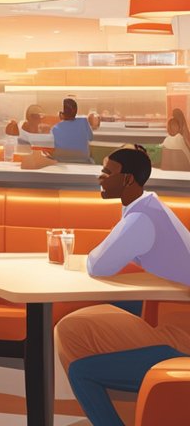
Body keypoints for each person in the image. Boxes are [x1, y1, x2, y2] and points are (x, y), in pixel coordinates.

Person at [55, 147, 190, 426]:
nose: (100, 178)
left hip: (182, 337)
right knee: (71, 329)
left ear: (128, 179)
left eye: (107, 172)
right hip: (173, 316)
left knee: (82, 372)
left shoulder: (140, 219)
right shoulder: (148, 207)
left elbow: (98, 264)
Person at [52, 98, 95, 162]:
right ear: (76, 111)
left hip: (62, 161)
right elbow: (91, 138)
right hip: (83, 160)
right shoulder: (83, 122)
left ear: (61, 114)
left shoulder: (55, 128)